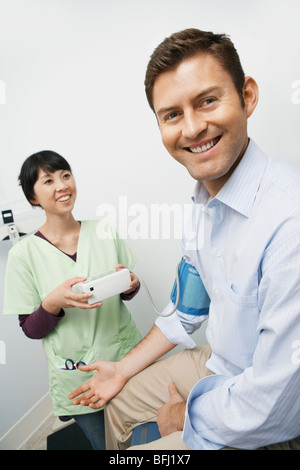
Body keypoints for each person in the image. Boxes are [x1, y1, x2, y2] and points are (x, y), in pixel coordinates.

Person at [69, 29, 300, 450]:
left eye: (207, 100)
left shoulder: (289, 223)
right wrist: (121, 369)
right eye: (172, 114)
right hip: (221, 365)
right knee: (117, 403)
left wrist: (180, 416)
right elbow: (186, 309)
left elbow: (274, 405)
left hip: (266, 409)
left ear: (247, 96)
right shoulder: (200, 203)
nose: (193, 128)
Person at [3, 150, 142, 450]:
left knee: (148, 436)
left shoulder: (103, 230)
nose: (62, 185)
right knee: (109, 446)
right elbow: (30, 329)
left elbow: (126, 290)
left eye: (66, 175)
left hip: (125, 357)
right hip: (78, 374)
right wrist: (53, 302)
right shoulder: (23, 255)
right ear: (33, 198)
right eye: (49, 180)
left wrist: (131, 283)